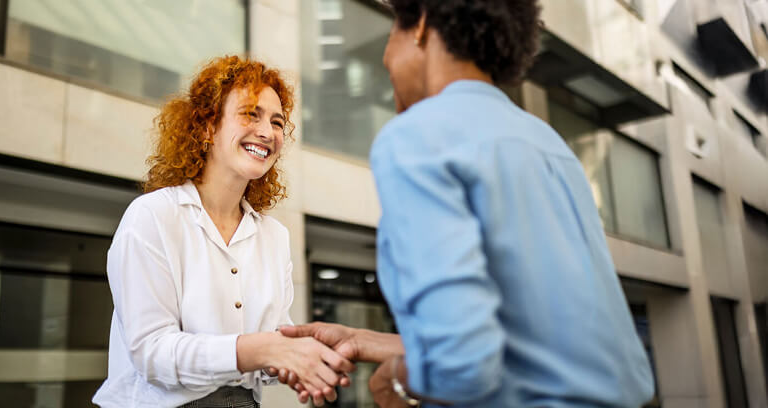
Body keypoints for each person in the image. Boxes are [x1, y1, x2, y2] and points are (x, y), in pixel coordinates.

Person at [280, 0, 655, 407]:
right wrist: (363, 340)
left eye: (392, 32)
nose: (387, 59)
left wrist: (400, 382)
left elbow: (462, 365)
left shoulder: (417, 135)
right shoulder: (549, 143)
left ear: (421, 24)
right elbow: (542, 340)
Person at [92, 56, 354, 408]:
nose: (268, 132)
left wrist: (304, 353)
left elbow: (267, 354)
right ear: (206, 127)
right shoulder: (152, 216)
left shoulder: (274, 238)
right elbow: (151, 352)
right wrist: (260, 349)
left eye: (277, 122)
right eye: (250, 113)